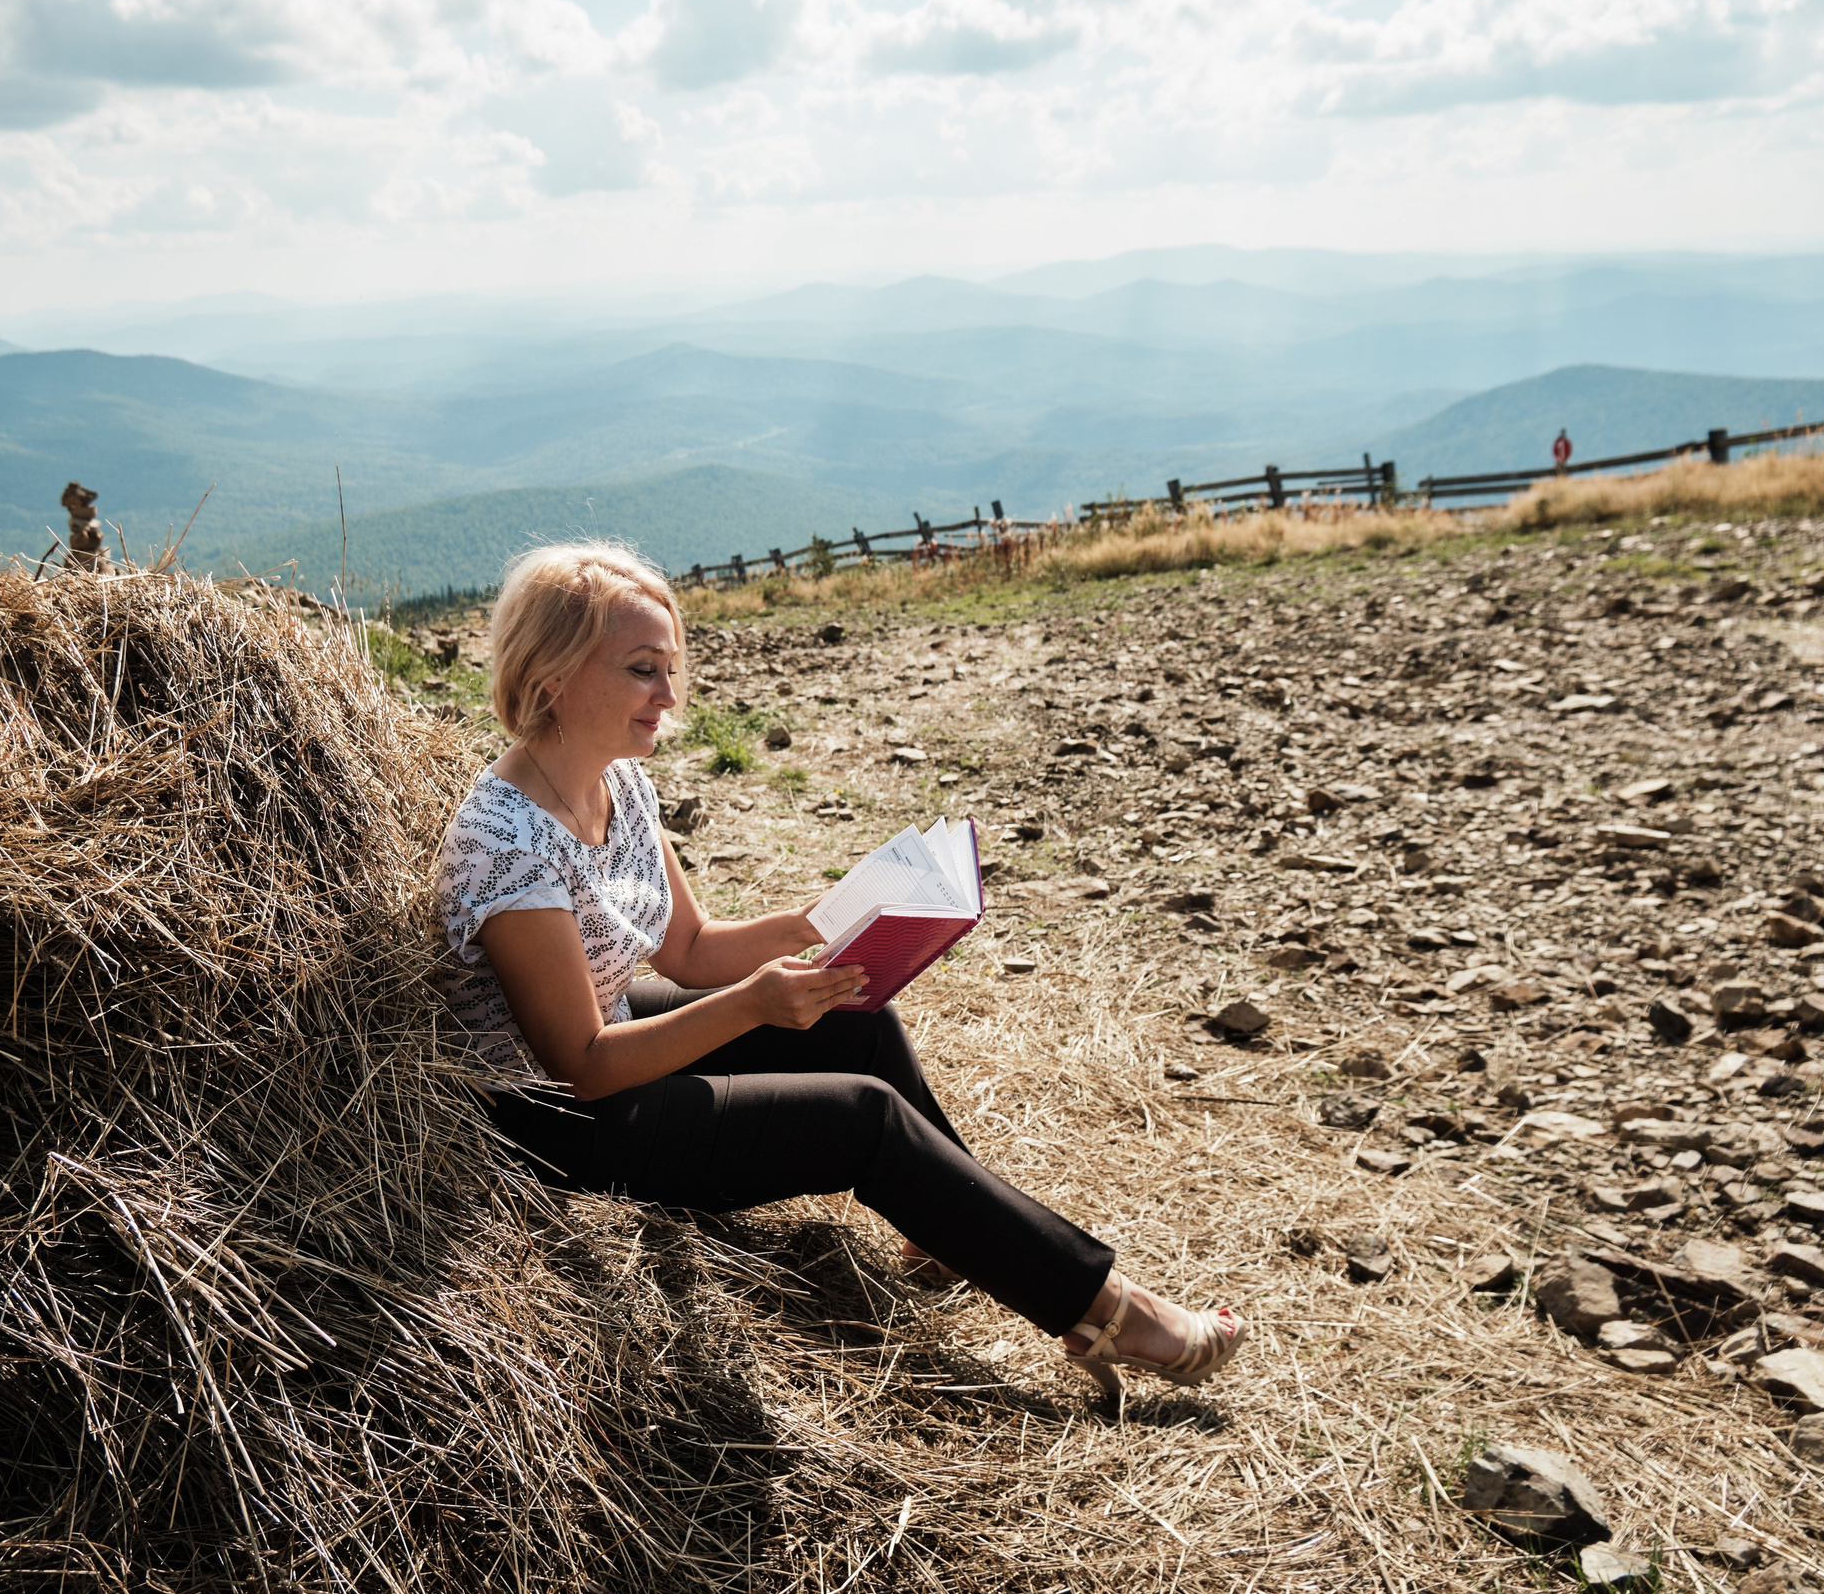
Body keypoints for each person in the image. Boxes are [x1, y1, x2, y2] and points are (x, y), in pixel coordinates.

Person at [432, 541, 1245, 1399]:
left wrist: (844, 912)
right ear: (552, 673)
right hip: (544, 1117)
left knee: (859, 1022)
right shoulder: (504, 841)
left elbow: (691, 949)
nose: (670, 697)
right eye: (642, 670)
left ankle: (952, 1227)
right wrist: (754, 1004)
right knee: (862, 1120)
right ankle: (1110, 1312)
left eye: (671, 668)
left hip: (612, 1039)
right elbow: (584, 1066)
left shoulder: (620, 782)